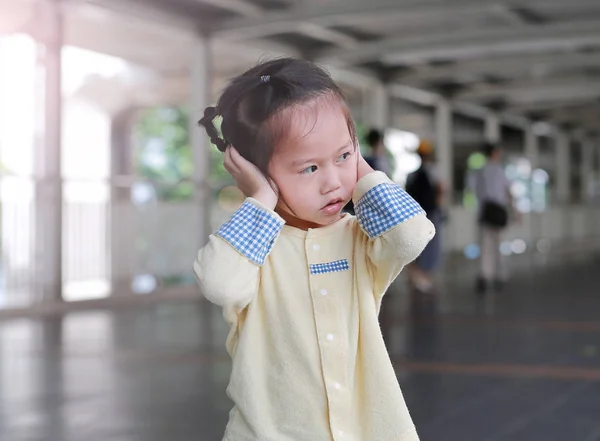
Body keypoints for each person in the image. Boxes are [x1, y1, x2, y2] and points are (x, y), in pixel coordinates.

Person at [193, 58, 435, 441]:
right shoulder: (254, 250)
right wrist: (260, 198)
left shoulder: (362, 239)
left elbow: (411, 235)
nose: (333, 182)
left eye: (343, 157)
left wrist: (364, 172)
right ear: (254, 170)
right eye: (309, 168)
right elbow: (220, 285)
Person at [469, 142, 514, 295]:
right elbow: (508, 192)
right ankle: (500, 275)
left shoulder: (480, 171)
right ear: (495, 153)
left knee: (485, 246)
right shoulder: (500, 170)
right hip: (498, 211)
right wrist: (514, 210)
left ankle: (484, 274)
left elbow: (475, 191)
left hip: (485, 212)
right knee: (499, 244)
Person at [405, 140, 445, 293]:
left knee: (416, 244)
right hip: (430, 213)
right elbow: (441, 191)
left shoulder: (412, 175)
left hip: (415, 214)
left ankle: (415, 275)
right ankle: (422, 276)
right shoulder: (431, 173)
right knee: (429, 246)